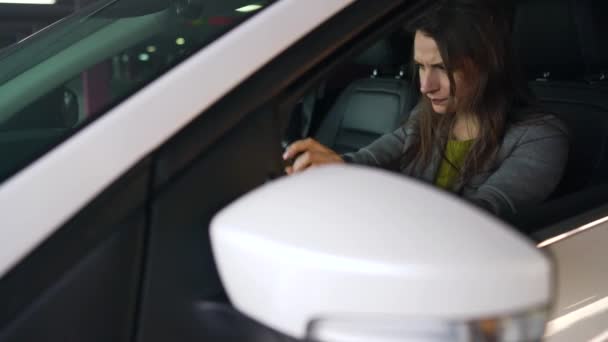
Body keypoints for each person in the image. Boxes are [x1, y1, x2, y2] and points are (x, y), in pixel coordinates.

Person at [281, 0, 568, 218]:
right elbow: (370, 158)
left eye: (442, 68)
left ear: (486, 66)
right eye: (421, 67)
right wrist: (332, 167)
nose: (425, 86)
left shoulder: (540, 137)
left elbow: (480, 218)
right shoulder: (428, 117)